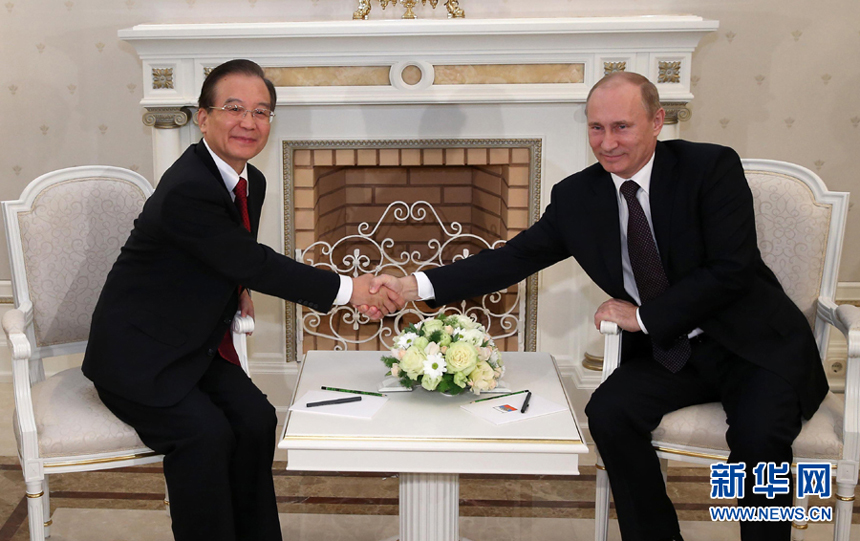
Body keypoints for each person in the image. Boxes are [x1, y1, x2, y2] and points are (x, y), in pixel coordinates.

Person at [365, 72, 827, 541]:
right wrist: (412, 286)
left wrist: (643, 317)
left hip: (751, 343)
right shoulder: (577, 197)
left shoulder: (709, 168)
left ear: (657, 122)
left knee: (758, 439)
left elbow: (732, 269)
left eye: (622, 127)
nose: (607, 143)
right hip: (673, 352)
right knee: (609, 412)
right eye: (596, 128)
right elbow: (513, 258)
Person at [82, 59, 401, 541]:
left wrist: (238, 287)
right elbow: (252, 259)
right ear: (202, 117)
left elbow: (226, 255)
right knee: (204, 435)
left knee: (256, 420)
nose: (249, 122)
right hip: (138, 357)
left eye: (262, 111)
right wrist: (350, 289)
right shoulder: (189, 187)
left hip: (191, 344)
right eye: (234, 108)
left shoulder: (249, 180)